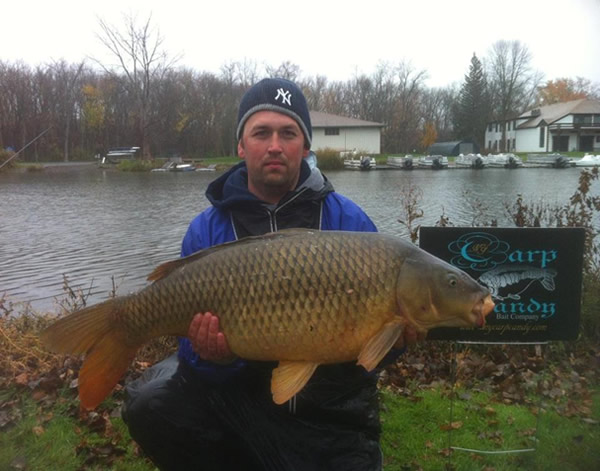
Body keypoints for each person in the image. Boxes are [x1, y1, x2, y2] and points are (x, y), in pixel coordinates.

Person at [123, 77, 417, 471]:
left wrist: (400, 337)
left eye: (288, 133)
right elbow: (193, 356)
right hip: (238, 396)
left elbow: (372, 353)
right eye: (261, 133)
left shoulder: (348, 220)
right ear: (241, 146)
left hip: (330, 406)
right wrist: (218, 357)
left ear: (305, 145)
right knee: (151, 404)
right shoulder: (207, 230)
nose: (275, 145)